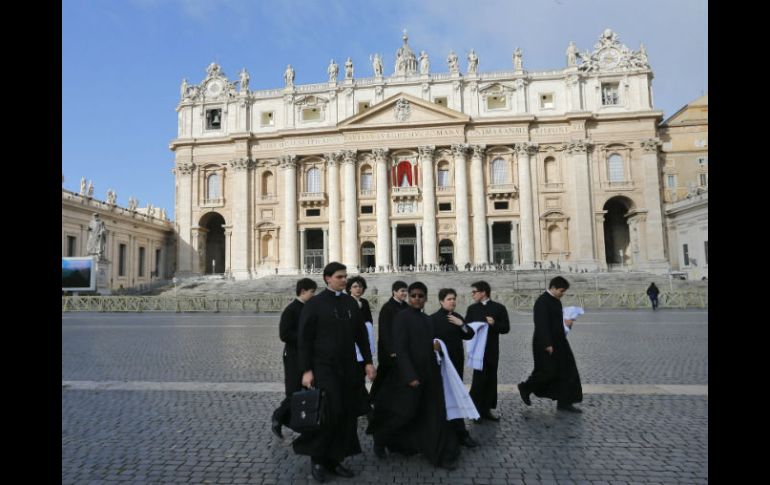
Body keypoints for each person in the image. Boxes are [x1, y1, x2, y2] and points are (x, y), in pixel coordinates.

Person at [294, 262, 375, 483]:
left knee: (345, 414)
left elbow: (361, 336)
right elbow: (304, 340)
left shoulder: (350, 303)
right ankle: (318, 460)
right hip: (323, 368)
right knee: (328, 413)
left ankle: (335, 459)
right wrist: (306, 370)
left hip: (348, 367)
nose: (344, 280)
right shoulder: (315, 304)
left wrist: (368, 362)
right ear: (327, 278)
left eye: (345, 276)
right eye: (340, 277)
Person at [372, 282, 460, 470]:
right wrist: (410, 375)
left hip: (429, 373)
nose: (417, 299)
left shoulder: (428, 320)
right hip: (408, 376)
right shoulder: (401, 318)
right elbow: (400, 348)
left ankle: (437, 453)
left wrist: (435, 347)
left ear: (426, 298)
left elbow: (427, 344)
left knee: (432, 413)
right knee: (404, 413)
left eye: (421, 296)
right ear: (409, 297)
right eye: (413, 295)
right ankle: (380, 438)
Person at [518, 276, 583, 413]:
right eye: (561, 291)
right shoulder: (542, 301)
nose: (563, 294)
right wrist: (547, 343)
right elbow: (541, 324)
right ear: (553, 288)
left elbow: (556, 322)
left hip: (560, 342)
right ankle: (526, 387)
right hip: (545, 343)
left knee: (567, 370)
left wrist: (566, 325)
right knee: (547, 371)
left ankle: (565, 401)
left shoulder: (556, 301)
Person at [430, 288, 478, 448]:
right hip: (441, 365)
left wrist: (462, 324)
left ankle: (460, 433)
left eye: (454, 298)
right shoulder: (433, 319)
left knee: (456, 397)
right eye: (450, 299)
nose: (453, 301)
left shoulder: (457, 317)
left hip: (456, 364)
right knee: (443, 399)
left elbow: (469, 334)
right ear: (441, 301)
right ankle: (446, 433)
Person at [271, 278, 318, 439]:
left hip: (307, 355)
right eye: (312, 292)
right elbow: (284, 334)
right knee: (293, 391)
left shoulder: (309, 308)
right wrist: (304, 337)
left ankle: (296, 421)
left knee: (302, 390)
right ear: (303, 291)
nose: (314, 295)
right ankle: (278, 417)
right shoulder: (291, 310)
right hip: (293, 356)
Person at [464, 281, 510, 421]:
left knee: (491, 378)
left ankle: (487, 410)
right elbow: (466, 328)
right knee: (478, 380)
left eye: (474, 292)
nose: (472, 294)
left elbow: (506, 328)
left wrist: (494, 324)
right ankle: (475, 410)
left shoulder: (499, 308)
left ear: (483, 292)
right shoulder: (472, 309)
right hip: (477, 350)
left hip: (492, 349)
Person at [368, 280, 408, 404]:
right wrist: (391, 350)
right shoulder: (388, 308)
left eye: (405, 291)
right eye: (402, 291)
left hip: (401, 347)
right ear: (394, 292)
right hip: (389, 350)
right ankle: (372, 399)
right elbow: (384, 331)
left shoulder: (405, 306)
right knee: (383, 374)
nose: (404, 293)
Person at [346, 276, 376, 423]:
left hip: (365, 345)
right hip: (352, 347)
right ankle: (368, 409)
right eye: (355, 286)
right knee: (357, 380)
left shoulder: (364, 302)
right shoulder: (346, 302)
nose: (358, 289)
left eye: (360, 286)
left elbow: (369, 321)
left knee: (360, 379)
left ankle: (363, 406)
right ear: (349, 288)